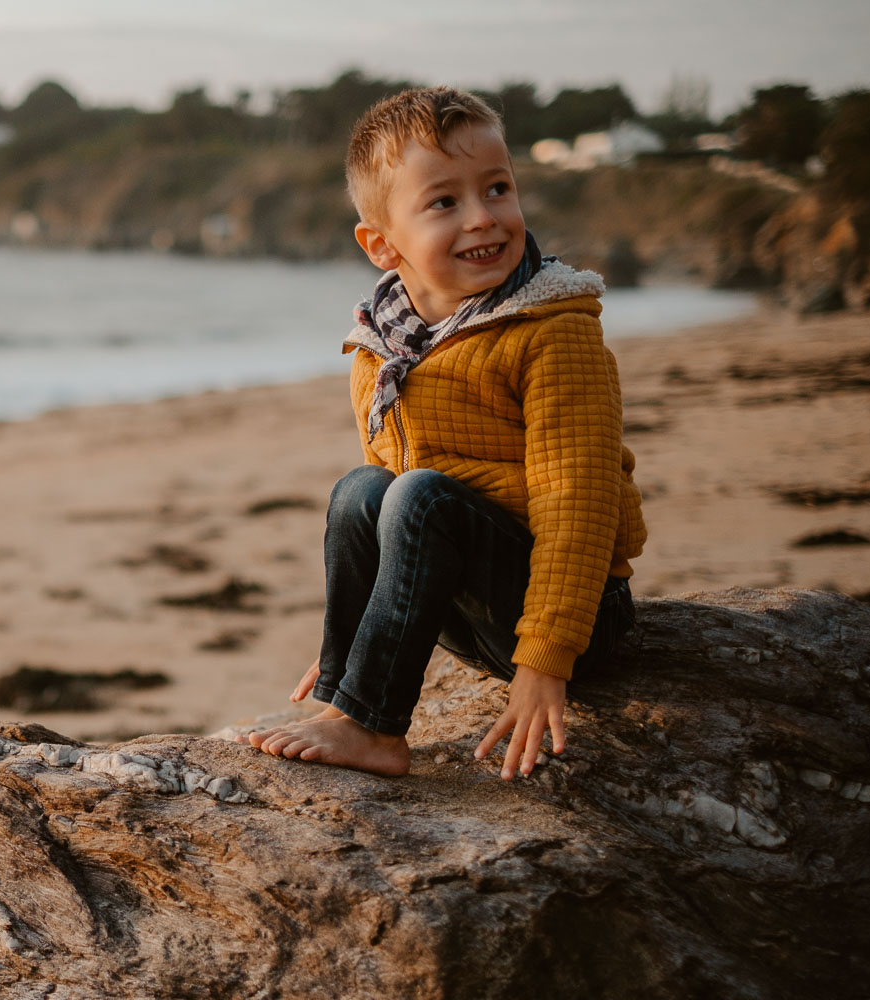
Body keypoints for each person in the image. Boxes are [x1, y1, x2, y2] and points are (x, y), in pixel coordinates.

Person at [239, 87, 646, 780]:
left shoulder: (552, 330)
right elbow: (385, 503)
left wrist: (544, 662)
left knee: (419, 495)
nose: (483, 218)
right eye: (444, 203)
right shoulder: (381, 345)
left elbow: (577, 503)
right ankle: (347, 697)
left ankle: (373, 728)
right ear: (381, 245)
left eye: (497, 189)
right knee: (362, 489)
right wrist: (364, 634)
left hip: (576, 612)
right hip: (471, 597)